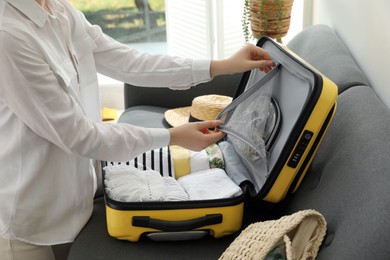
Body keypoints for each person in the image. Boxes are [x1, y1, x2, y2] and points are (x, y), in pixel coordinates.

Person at [0, 0, 275, 259]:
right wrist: (172, 137)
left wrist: (221, 66)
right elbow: (78, 135)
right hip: (27, 222)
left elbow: (127, 61)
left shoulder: (59, 10)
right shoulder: (9, 35)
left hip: (76, 201)